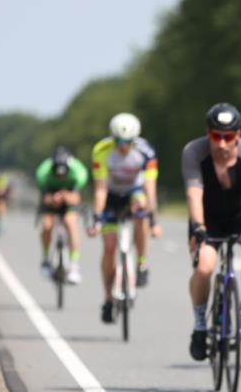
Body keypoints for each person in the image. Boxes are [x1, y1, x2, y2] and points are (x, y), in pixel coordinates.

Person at [182, 103, 241, 360]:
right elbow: (194, 194)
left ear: (239, 134)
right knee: (204, 267)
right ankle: (200, 326)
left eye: (228, 137)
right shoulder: (194, 152)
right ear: (208, 133)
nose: (222, 144)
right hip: (207, 216)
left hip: (240, 213)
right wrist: (199, 227)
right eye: (216, 136)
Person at [87, 113, 162, 324]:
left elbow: (150, 188)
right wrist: (96, 219)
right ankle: (108, 299)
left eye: (128, 142)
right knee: (109, 247)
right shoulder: (101, 151)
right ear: (113, 138)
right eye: (119, 141)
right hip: (111, 195)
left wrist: (153, 219)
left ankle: (141, 264)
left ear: (135, 139)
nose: (123, 146)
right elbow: (100, 189)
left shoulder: (146, 151)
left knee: (141, 214)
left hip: (134, 192)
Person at [36, 146, 88, 284]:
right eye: (57, 174)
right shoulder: (43, 172)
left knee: (71, 223)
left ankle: (74, 265)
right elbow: (45, 197)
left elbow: (76, 198)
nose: (60, 176)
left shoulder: (78, 172)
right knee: (47, 225)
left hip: (69, 195)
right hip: (51, 194)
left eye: (63, 174)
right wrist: (53, 199)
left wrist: (65, 196)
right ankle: (46, 260)